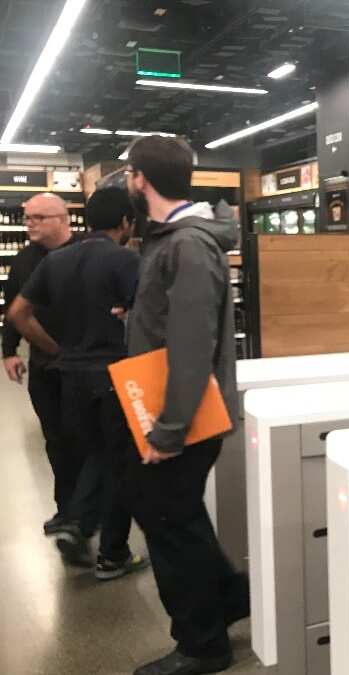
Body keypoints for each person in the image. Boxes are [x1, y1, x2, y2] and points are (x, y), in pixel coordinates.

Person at [122, 136, 248, 675]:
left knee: (168, 523)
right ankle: (228, 598)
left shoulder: (187, 245)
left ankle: (202, 645)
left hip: (185, 414)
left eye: (128, 172)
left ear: (139, 178)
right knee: (181, 517)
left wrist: (168, 431)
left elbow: (193, 345)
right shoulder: (169, 239)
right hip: (172, 406)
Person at [7, 187, 149, 576]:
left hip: (70, 379)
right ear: (125, 222)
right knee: (118, 460)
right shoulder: (126, 260)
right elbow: (150, 317)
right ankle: (108, 549)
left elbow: (18, 313)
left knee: (94, 455)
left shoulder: (56, 262)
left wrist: (55, 349)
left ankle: (80, 522)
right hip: (113, 375)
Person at [2, 192, 79, 536]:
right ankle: (68, 509)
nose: (28, 223)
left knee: (86, 441)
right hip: (45, 366)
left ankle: (90, 509)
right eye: (26, 218)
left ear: (62, 219)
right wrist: (9, 350)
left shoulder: (84, 253)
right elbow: (12, 311)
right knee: (56, 440)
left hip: (83, 366)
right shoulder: (23, 261)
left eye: (37, 218)